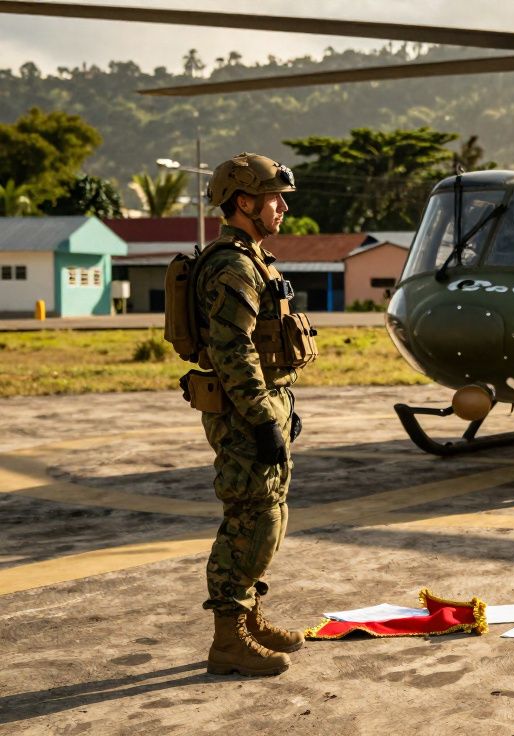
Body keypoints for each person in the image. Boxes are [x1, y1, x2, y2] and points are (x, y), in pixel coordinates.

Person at [194, 153, 314, 676]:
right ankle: (228, 639)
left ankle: (250, 618)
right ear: (244, 202)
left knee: (268, 517)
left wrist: (282, 407)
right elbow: (233, 350)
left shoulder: (253, 257)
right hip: (244, 414)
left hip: (261, 405)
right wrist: (264, 418)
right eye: (273, 198)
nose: (282, 207)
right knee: (248, 520)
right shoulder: (233, 264)